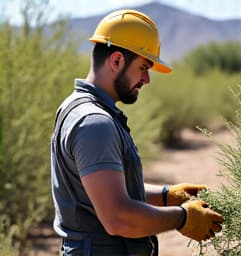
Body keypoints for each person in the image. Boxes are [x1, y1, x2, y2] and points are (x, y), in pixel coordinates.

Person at [51, 9, 224, 256]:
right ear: (117, 60)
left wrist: (167, 196)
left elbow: (105, 189)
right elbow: (118, 217)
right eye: (143, 67)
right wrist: (183, 218)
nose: (147, 79)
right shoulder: (94, 123)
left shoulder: (79, 108)